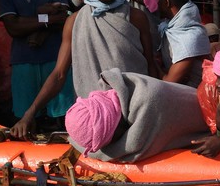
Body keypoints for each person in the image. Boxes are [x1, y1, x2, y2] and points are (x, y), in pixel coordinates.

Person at [10, 0, 155, 139]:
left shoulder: (135, 17)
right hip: (94, 116)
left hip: (134, 109)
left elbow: (150, 66)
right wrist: (29, 114)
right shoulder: (75, 21)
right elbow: (59, 74)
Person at [0, 0, 74, 135]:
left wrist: (31, 23)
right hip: (23, 60)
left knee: (64, 118)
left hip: (56, 59)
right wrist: (44, 19)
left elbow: (62, 18)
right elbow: (13, 27)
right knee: (28, 121)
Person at [65, 69, 209, 162]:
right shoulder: (113, 95)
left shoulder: (148, 101)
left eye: (110, 140)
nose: (110, 145)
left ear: (117, 126)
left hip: (213, 122)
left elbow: (124, 152)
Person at [157, 0, 210, 87]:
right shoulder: (173, 27)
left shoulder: (188, 38)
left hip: (194, 95)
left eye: (158, 0)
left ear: (166, 2)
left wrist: (151, 63)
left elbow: (169, 82)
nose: (157, 4)